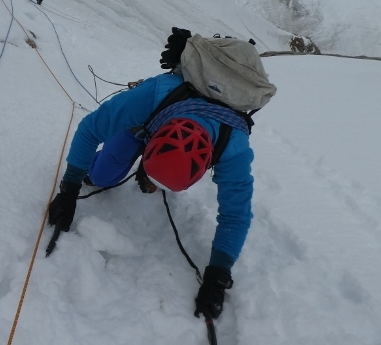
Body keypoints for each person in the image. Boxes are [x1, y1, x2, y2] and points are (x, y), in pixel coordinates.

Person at [47, 28, 253, 320]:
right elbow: (90, 129)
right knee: (103, 175)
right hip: (146, 123)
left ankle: (151, 172)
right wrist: (69, 188)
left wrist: (218, 275)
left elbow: (236, 214)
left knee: (151, 175)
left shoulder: (233, 147)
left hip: (163, 123)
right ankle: (115, 168)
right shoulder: (154, 94)